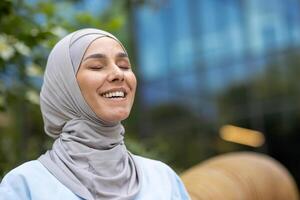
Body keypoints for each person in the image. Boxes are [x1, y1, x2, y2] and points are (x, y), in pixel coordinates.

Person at [0, 28, 190, 200]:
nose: (118, 74)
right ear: (65, 85)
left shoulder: (163, 179)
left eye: (124, 65)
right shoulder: (24, 185)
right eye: (97, 67)